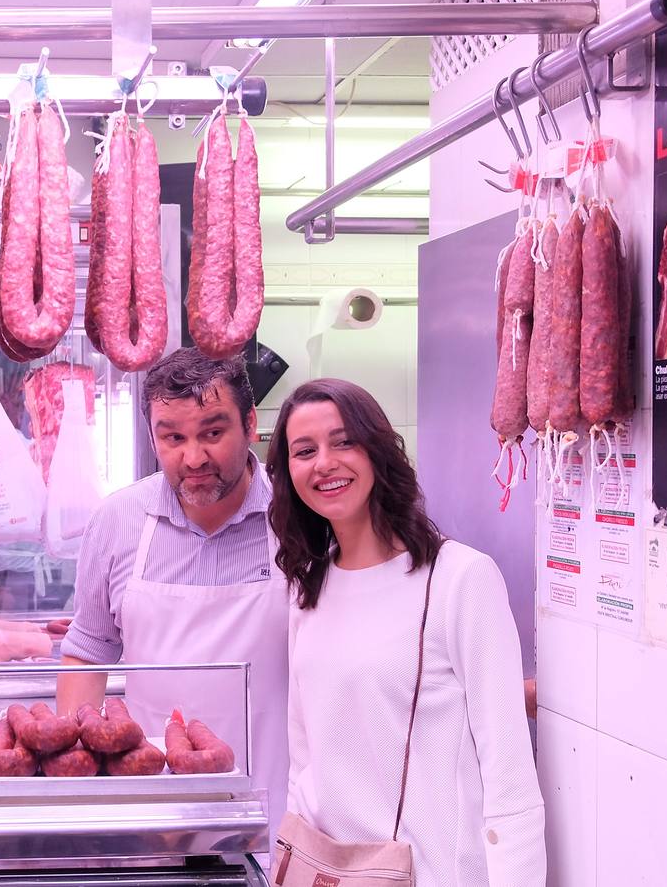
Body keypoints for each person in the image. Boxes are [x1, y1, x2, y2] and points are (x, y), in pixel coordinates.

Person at [268, 378, 542, 886]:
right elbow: (304, 756)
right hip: (324, 873)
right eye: (304, 451)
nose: (324, 462)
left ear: (377, 450)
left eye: (343, 441)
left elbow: (509, 776)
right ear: (289, 473)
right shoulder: (308, 586)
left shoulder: (461, 578)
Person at [57, 348, 289, 831]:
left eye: (213, 433)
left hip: (281, 799)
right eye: (173, 438)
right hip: (152, 801)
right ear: (152, 437)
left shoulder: (298, 518)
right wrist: (77, 783)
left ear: (250, 424)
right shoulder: (118, 520)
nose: (194, 457)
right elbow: (88, 651)